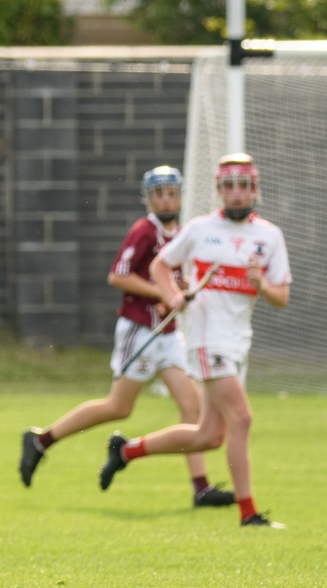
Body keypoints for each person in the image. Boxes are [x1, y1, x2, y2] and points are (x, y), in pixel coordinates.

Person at [18, 166, 234, 508]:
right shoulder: (144, 230)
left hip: (169, 334)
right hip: (140, 330)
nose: (166, 199)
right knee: (118, 407)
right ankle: (41, 440)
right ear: (148, 199)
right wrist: (161, 291)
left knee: (192, 407)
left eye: (171, 192)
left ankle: (201, 487)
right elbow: (118, 276)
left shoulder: (183, 232)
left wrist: (183, 292)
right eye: (158, 193)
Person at [97, 153, 291, 528]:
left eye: (244, 186)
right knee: (242, 417)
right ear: (219, 191)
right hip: (205, 339)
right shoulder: (201, 229)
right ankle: (248, 513)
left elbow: (281, 297)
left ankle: (127, 451)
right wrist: (171, 297)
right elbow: (160, 265)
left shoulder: (269, 236)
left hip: (238, 341)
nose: (237, 195)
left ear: (255, 190)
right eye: (229, 187)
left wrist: (260, 284)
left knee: (209, 435)